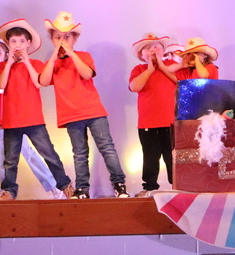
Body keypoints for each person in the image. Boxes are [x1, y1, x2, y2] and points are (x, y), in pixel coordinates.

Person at [39, 11, 128, 198]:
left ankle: (119, 184)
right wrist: (55, 55)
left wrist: (70, 53)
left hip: (93, 111)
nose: (62, 41)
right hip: (71, 115)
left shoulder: (84, 56)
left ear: (75, 39)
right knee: (80, 153)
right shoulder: (52, 63)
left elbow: (87, 74)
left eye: (66, 37)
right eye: (57, 38)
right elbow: (44, 81)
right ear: (52, 40)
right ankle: (82, 189)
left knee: (106, 147)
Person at [0, 18, 74, 200]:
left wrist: (26, 61)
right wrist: (10, 63)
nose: (18, 45)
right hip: (11, 120)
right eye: (13, 41)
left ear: (28, 43)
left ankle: (65, 186)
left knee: (50, 155)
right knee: (10, 161)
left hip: (34, 119)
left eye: (22, 41)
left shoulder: (36, 64)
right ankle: (8, 191)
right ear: (8, 44)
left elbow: (38, 82)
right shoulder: (4, 67)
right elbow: (0, 86)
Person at [0, 37, 62, 199]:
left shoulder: (12, 71)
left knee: (30, 154)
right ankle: (6, 192)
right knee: (3, 160)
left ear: (6, 54)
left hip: (15, 120)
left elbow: (4, 89)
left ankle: (54, 188)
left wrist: (6, 66)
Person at [129, 33, 178, 197]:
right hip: (148, 123)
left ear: (163, 50)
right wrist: (150, 69)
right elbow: (135, 86)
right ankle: (150, 186)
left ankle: (178, 185)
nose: (152, 50)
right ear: (141, 55)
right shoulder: (139, 69)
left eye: (156, 46)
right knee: (150, 157)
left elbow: (181, 82)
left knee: (173, 157)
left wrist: (162, 67)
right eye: (147, 48)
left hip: (171, 122)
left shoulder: (172, 65)